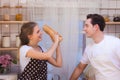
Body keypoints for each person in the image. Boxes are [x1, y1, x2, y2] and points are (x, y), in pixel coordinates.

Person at [70, 14, 120, 80]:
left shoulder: (115, 43)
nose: (84, 29)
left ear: (95, 27)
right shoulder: (89, 48)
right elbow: (79, 68)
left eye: (86, 26)